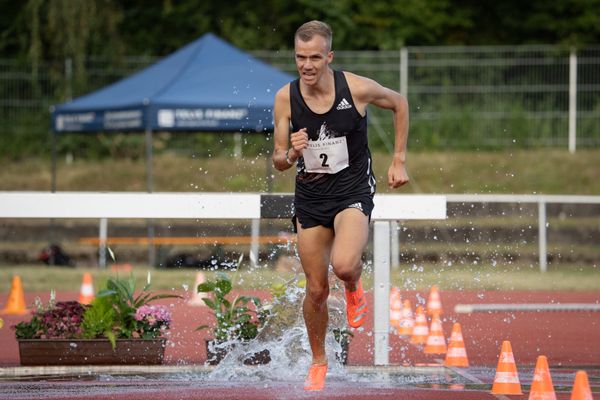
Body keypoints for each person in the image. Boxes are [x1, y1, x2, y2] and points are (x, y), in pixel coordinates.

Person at [272, 20, 410, 391]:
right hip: (311, 198)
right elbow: (278, 159)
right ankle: (318, 361)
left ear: (329, 56)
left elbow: (399, 103)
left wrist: (398, 158)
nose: (307, 65)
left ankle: (352, 285)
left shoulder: (357, 89)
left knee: (345, 264)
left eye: (315, 57)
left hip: (352, 191)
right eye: (301, 57)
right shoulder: (286, 97)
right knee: (315, 290)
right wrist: (291, 152)